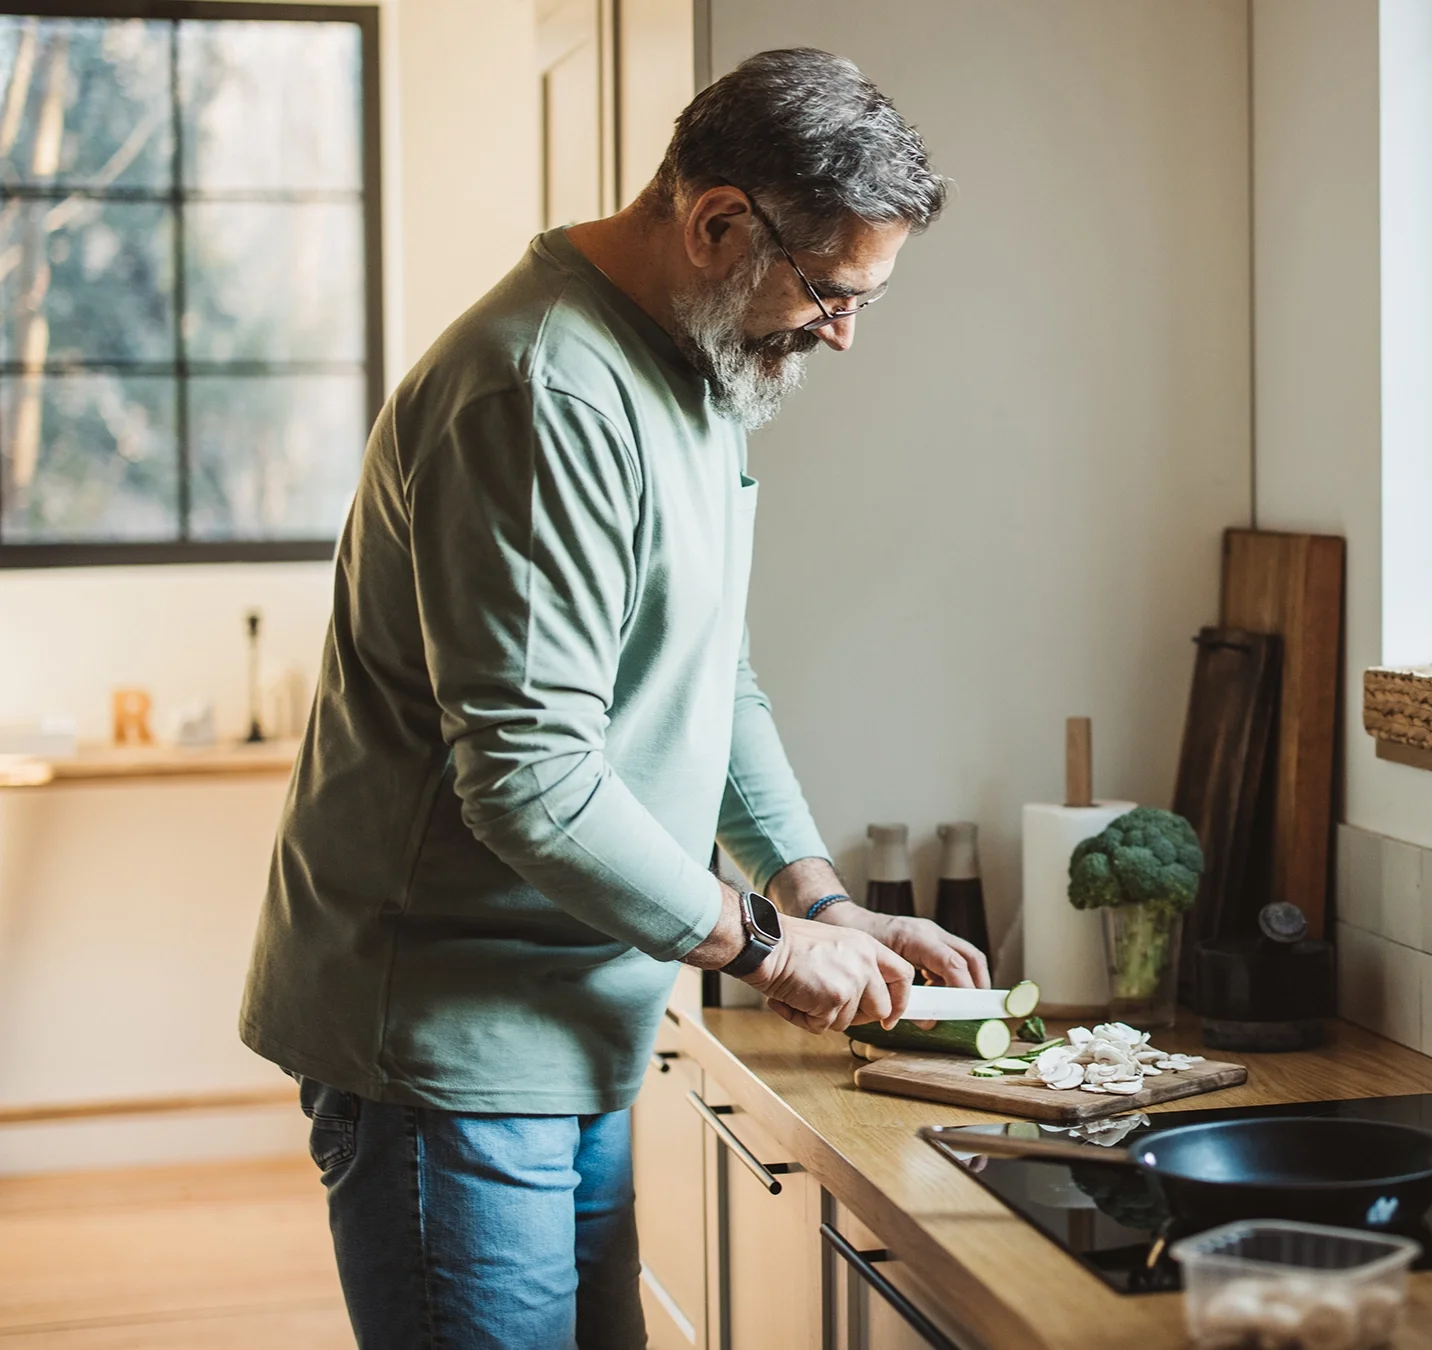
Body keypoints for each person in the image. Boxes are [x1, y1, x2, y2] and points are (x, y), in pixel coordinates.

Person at [238, 48, 976, 1349]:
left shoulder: (695, 371)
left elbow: (711, 676)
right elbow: (531, 777)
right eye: (832, 292)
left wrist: (822, 893)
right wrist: (768, 946)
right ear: (718, 224)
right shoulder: (543, 393)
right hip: (449, 1043)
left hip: (570, 1019)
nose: (844, 334)